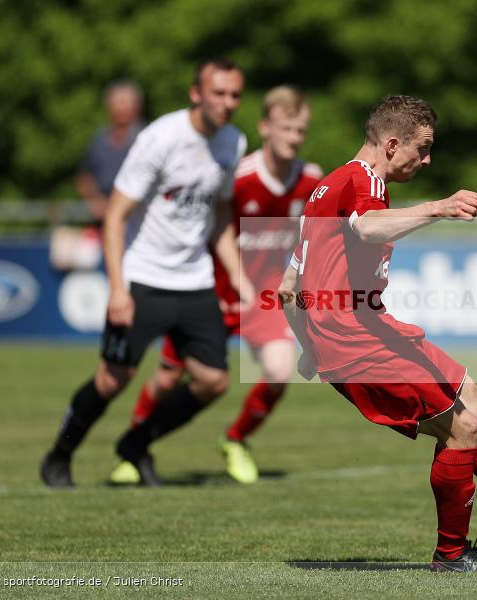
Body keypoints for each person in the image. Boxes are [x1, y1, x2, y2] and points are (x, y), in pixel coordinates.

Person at [276, 95, 477, 571]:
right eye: (422, 149)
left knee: (475, 405)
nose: (427, 160)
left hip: (363, 330)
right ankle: (451, 555)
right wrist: (440, 207)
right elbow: (366, 229)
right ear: (391, 143)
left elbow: (287, 289)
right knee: (462, 424)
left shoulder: (325, 188)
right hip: (355, 337)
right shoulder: (363, 183)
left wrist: (308, 347)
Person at [40, 59, 249, 488]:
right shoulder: (160, 138)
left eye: (235, 95)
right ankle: (59, 456)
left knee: (213, 381)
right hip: (144, 278)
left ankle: (134, 444)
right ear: (196, 93)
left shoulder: (234, 142)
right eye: (219, 93)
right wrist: (118, 289)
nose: (228, 103)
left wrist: (240, 276)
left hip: (194, 280)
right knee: (113, 379)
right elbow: (115, 216)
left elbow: (222, 215)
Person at [126, 85, 323, 484]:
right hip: (211, 290)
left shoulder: (310, 180)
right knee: (167, 378)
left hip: (264, 295)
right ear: (265, 127)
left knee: (278, 371)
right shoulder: (240, 176)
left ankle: (235, 439)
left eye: (300, 131)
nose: (294, 138)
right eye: (286, 128)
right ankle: (133, 450)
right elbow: (209, 226)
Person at [75, 80, 146, 226]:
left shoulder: (147, 137)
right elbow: (84, 176)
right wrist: (95, 199)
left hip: (138, 218)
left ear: (137, 106)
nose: (121, 108)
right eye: (117, 102)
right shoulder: (99, 139)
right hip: (103, 220)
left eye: (125, 102)